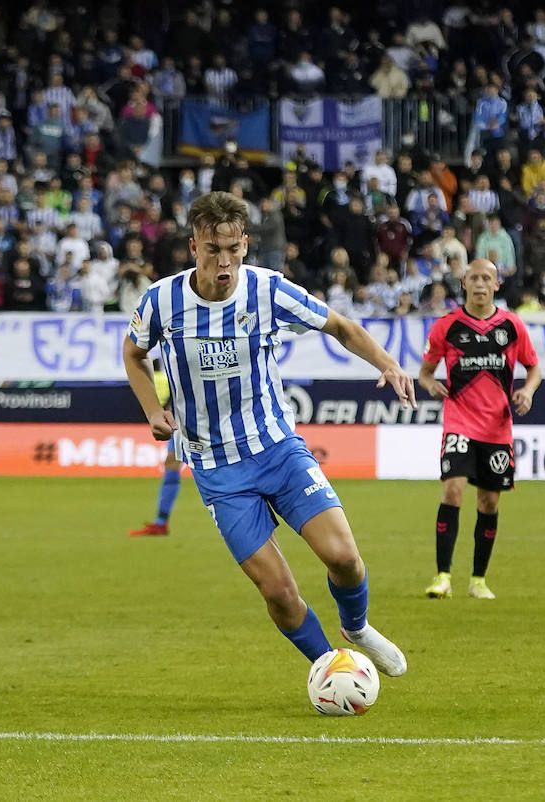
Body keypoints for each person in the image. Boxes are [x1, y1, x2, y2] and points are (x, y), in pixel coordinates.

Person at [123, 191, 415, 678]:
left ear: (246, 245)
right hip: (218, 469)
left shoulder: (267, 289)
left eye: (234, 249)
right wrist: (153, 410)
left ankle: (357, 628)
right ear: (193, 246)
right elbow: (133, 354)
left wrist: (387, 362)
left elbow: (340, 326)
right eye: (214, 249)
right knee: (278, 592)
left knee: (344, 559)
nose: (225, 261)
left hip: (277, 449)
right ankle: (331, 666)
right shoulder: (161, 301)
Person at [418, 259, 542, 600]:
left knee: (488, 502)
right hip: (459, 420)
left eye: (487, 278)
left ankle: (478, 580)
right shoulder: (447, 326)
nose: (480, 284)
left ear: (497, 284)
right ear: (464, 282)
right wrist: (430, 385)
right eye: (474, 278)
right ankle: (443, 576)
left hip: (497, 428)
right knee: (453, 490)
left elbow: (534, 370)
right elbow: (425, 371)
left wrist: (527, 391)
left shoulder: (512, 326)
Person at [128, 363, 183, 536]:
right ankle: (161, 522)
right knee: (171, 463)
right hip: (179, 418)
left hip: (187, 418)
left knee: (174, 464)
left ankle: (161, 522)